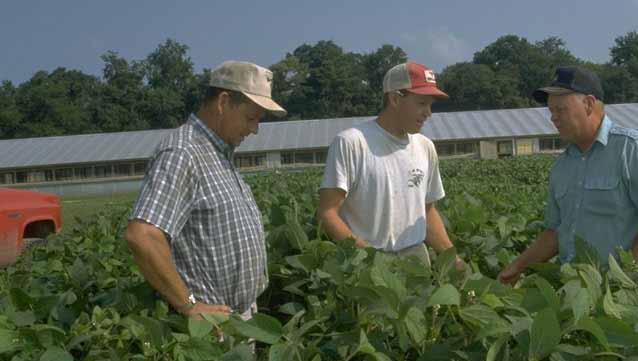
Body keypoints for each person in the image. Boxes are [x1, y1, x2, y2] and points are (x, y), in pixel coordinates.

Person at [124, 60, 286, 319]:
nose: (255, 129)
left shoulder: (217, 152)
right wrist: (188, 305)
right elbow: (142, 235)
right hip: (210, 326)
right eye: (251, 117)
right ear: (223, 102)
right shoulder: (183, 152)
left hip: (236, 316)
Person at [498, 66, 638, 284]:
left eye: (560, 110)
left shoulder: (630, 148)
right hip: (579, 292)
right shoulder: (562, 166)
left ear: (589, 104)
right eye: (551, 111)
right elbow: (555, 232)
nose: (553, 119)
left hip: (630, 295)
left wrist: (623, 276)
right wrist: (517, 266)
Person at [317, 61, 465, 269]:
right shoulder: (352, 142)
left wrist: (454, 259)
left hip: (415, 258)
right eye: (422, 103)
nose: (428, 113)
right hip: (365, 259)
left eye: (430, 105)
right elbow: (327, 213)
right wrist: (367, 258)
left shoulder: (425, 147)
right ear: (395, 99)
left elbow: (427, 211)